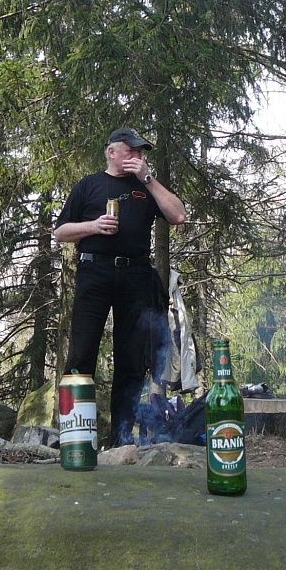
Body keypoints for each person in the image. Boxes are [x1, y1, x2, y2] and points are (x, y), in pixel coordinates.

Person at [53, 127, 186, 447]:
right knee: (81, 354)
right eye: (132, 151)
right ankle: (76, 437)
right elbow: (60, 232)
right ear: (112, 152)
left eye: (140, 152)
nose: (137, 157)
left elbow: (179, 215)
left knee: (131, 359)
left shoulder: (146, 187)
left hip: (135, 275)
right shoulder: (89, 185)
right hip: (94, 272)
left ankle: (121, 439)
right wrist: (93, 226)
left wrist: (148, 178)